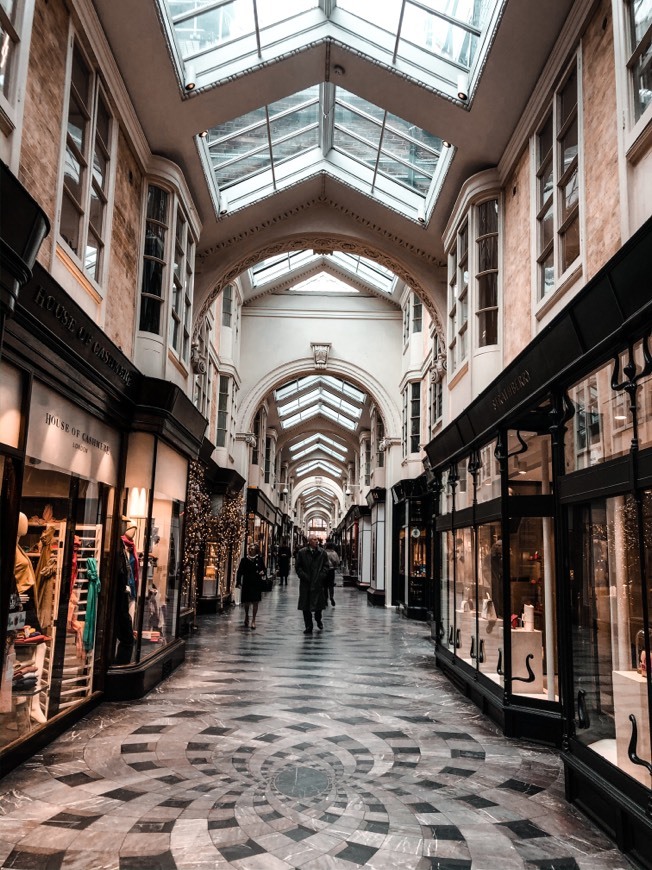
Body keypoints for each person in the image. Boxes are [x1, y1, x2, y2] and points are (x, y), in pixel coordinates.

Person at [295, 536, 328, 634]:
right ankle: (308, 626)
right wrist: (304, 576)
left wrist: (321, 576)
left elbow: (326, 566)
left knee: (318, 605)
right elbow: (298, 567)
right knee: (306, 606)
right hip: (306, 583)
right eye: (314, 540)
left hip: (317, 583)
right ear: (309, 541)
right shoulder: (302, 552)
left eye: (317, 540)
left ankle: (318, 619)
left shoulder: (322, 553)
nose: (316, 541)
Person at [236, 543, 266, 630]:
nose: (250, 550)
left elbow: (264, 569)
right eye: (249, 549)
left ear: (255, 550)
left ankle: (253, 620)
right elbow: (240, 571)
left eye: (252, 549)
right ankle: (246, 616)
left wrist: (262, 572)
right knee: (247, 602)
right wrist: (238, 582)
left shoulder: (259, 559)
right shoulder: (244, 560)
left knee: (255, 601)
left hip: (256, 582)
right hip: (247, 582)